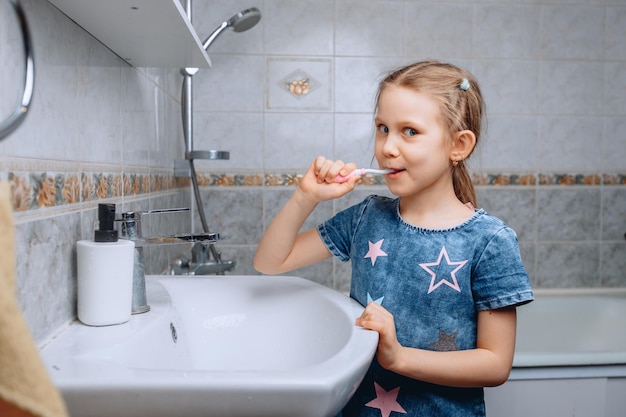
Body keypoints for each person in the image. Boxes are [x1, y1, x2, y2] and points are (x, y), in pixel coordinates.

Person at [254, 61, 533, 417]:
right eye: (383, 128)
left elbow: (494, 365)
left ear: (458, 145)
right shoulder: (367, 217)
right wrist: (305, 197)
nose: (387, 147)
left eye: (410, 132)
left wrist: (399, 357)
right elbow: (270, 261)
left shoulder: (489, 241)